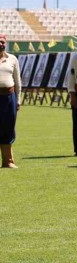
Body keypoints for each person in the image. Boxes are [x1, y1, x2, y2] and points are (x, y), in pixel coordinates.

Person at [0, 34, 21, 169]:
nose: (0, 44)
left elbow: (18, 81)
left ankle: (8, 161)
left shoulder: (12, 59)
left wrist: (18, 100)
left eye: (2, 42)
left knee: (8, 127)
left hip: (9, 98)